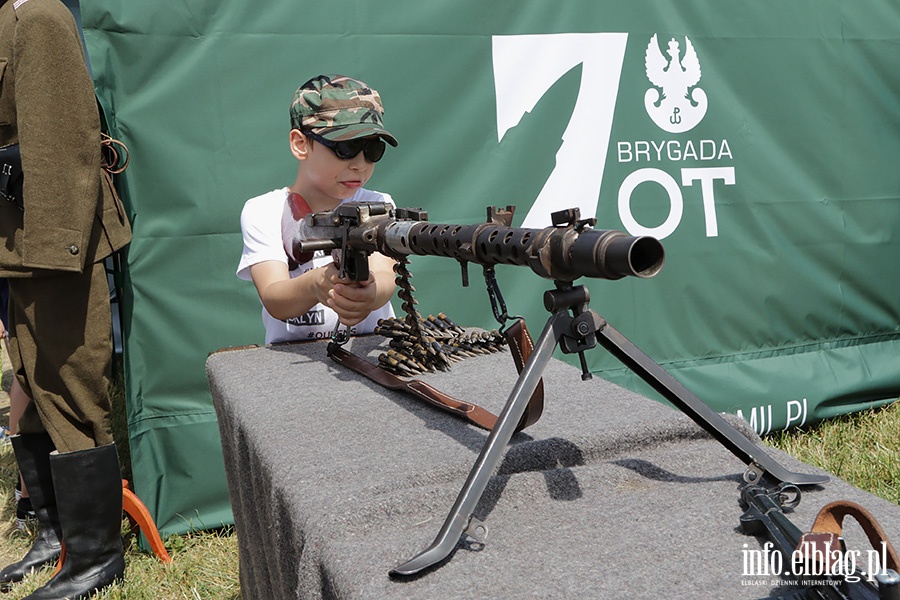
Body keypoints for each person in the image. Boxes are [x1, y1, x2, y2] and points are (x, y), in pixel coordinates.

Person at [0, 0, 133, 598]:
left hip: (50, 238)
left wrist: (56, 252)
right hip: (16, 236)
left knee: (68, 379)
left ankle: (97, 554)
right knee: (28, 373)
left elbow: (62, 142)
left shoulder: (39, 16)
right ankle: (55, 535)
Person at [238, 74, 398, 343]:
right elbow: (274, 298)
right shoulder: (263, 211)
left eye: (372, 149)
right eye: (345, 148)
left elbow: (385, 274)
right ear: (300, 144)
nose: (360, 164)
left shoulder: (380, 204)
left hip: (373, 353)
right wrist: (315, 284)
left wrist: (371, 294)